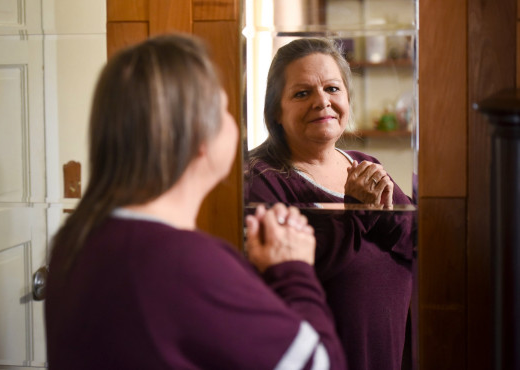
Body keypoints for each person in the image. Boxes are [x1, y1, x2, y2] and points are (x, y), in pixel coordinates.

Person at [45, 34, 348, 370]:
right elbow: (321, 364)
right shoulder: (186, 263)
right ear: (198, 137)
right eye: (222, 109)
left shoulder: (75, 240)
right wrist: (293, 270)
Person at [245, 37, 416, 370]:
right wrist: (357, 210)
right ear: (276, 110)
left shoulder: (364, 163)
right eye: (302, 93)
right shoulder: (261, 178)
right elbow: (290, 274)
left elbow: (413, 238)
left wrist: (371, 213)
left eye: (333, 89)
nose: (322, 101)